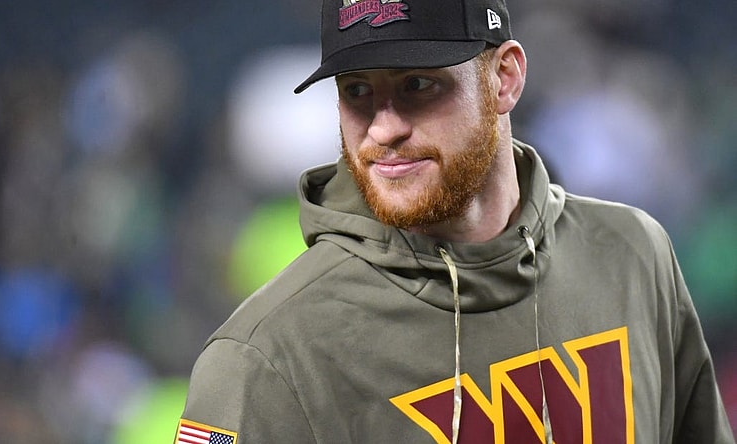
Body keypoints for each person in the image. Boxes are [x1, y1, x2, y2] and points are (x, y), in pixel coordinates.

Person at [176, 0, 735, 442]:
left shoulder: (634, 253)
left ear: (505, 78)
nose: (383, 128)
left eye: (418, 85)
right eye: (357, 92)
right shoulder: (264, 358)